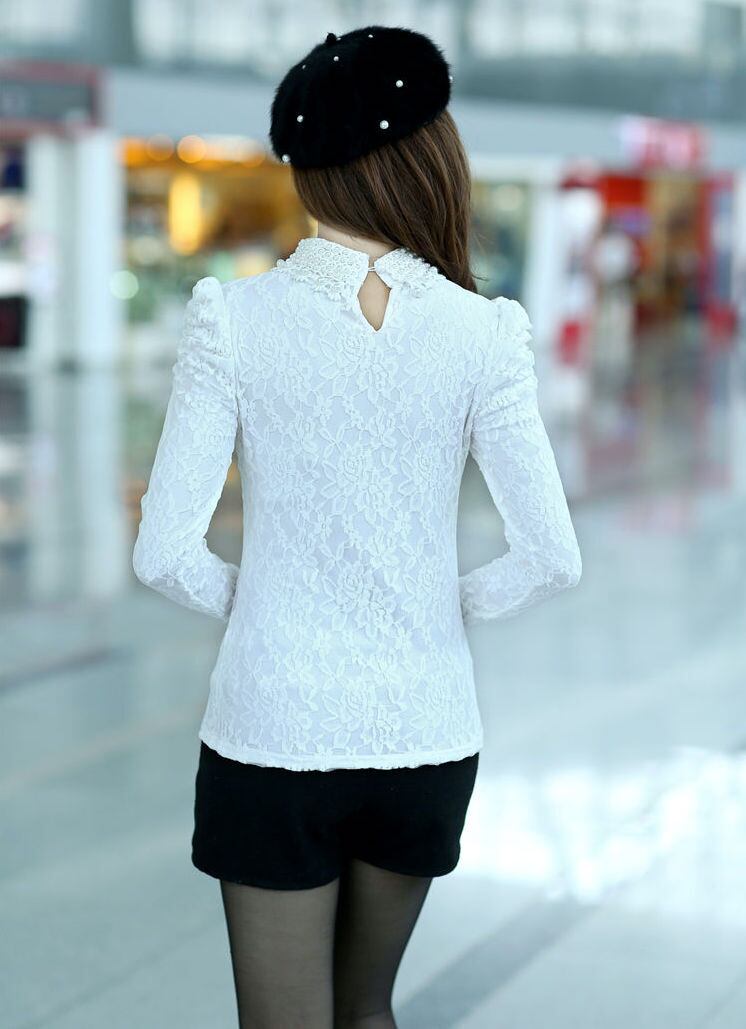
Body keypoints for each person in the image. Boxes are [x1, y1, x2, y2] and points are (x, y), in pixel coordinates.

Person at [131, 24, 583, 1029]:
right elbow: (550, 556)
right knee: (367, 1011)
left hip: (270, 731)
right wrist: (436, 606)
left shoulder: (231, 319)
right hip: (427, 732)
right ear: (432, 162)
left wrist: (270, 603)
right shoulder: (484, 331)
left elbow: (162, 554)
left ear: (307, 171)